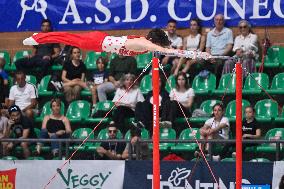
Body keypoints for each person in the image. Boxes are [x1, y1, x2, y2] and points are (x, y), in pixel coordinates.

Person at [205, 14, 233, 81]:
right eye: (217, 20)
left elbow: (229, 46)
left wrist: (220, 56)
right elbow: (207, 48)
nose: (218, 21)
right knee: (200, 61)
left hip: (223, 56)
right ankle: (204, 83)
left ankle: (216, 84)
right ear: (214, 21)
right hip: (212, 56)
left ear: (223, 21)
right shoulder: (210, 33)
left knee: (219, 63)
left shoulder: (228, 31)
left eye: (220, 20)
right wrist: (210, 57)